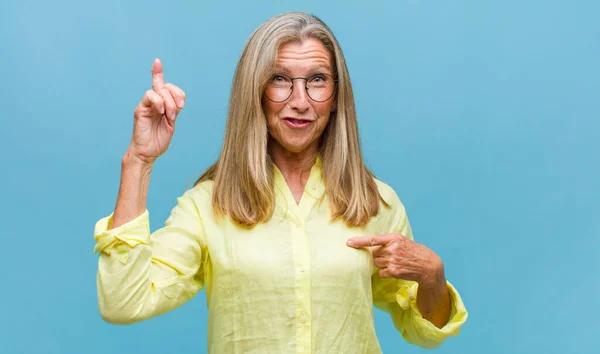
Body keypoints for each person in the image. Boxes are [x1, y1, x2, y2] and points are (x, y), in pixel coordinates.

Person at [93, 11, 468, 353]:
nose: (300, 101)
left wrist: (432, 275)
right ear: (255, 91)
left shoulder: (376, 203)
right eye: (280, 79)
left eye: (317, 80)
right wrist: (139, 160)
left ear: (337, 95)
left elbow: (425, 331)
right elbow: (123, 302)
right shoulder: (208, 204)